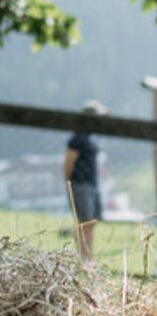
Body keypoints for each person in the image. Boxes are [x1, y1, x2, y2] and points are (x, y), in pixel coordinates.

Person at [64, 99, 107, 261]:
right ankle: (81, 257)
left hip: (91, 183)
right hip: (80, 183)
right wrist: (69, 181)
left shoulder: (92, 138)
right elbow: (69, 161)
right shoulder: (78, 138)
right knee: (83, 221)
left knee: (91, 221)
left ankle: (88, 256)